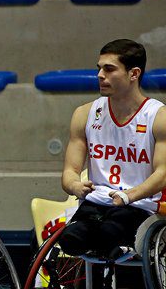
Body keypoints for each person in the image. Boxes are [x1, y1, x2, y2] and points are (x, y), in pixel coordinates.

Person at [59, 39, 166, 260]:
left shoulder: (158, 117)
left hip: (138, 206)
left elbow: (162, 174)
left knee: (109, 236)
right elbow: (70, 170)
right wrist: (74, 185)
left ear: (134, 74)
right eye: (99, 68)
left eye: (109, 69)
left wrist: (128, 196)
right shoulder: (84, 114)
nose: (100, 75)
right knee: (69, 240)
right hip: (95, 203)